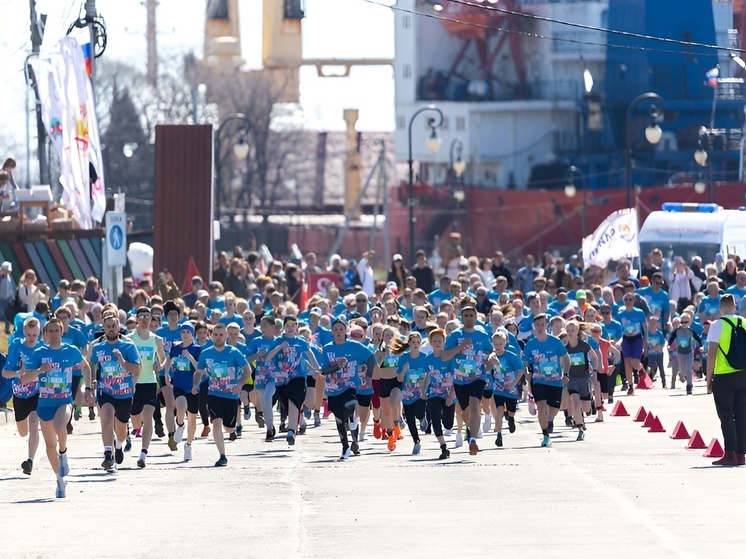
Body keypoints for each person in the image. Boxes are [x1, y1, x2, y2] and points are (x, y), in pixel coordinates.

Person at [20, 318, 92, 498]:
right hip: (44, 404)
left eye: (56, 331)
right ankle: (60, 479)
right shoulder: (39, 353)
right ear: (45, 333)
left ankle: (64, 453)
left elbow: (86, 367)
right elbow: (25, 378)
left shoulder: (71, 351)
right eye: (49, 331)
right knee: (50, 446)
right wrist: (39, 370)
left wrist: (89, 388)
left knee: (60, 427)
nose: (53, 334)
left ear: (61, 332)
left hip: (63, 401)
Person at [192, 323, 251, 466]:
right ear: (211, 336)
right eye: (215, 335)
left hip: (231, 395)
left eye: (221, 335)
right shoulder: (206, 353)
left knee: (228, 427)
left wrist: (239, 384)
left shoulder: (234, 352)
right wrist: (195, 385)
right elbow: (198, 372)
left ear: (226, 335)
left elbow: (247, 370)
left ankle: (232, 430)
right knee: (216, 422)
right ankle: (222, 456)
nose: (218, 338)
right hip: (214, 393)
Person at [318, 317, 375, 460]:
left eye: (341, 329)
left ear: (345, 331)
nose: (338, 332)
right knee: (339, 419)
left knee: (350, 405)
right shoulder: (328, 349)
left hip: (350, 385)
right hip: (333, 388)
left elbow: (371, 357)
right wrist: (337, 365)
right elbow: (324, 370)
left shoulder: (354, 346)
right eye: (335, 329)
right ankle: (345, 447)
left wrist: (368, 376)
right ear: (332, 332)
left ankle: (352, 422)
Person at [90, 312, 142, 472]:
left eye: (114, 326)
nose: (111, 329)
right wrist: (92, 381)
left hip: (124, 393)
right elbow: (91, 364)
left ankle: (118, 445)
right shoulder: (98, 348)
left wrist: (122, 362)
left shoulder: (128, 346)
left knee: (121, 427)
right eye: (108, 326)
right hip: (105, 390)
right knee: (106, 420)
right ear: (104, 328)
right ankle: (108, 455)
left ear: (119, 327)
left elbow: (137, 370)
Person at [443, 306, 493, 456]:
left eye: (471, 315)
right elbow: (445, 356)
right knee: (465, 412)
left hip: (478, 377)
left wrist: (490, 360)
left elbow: (491, 351)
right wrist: (460, 347)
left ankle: (473, 440)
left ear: (476, 317)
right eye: (466, 315)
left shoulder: (482, 335)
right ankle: (470, 428)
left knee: (475, 405)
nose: (469, 318)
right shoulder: (455, 335)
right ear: (461, 317)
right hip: (460, 379)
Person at [264, 316, 320, 446]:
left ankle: (291, 431)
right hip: (281, 379)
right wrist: (279, 347)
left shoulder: (300, 341)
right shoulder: (278, 340)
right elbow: (267, 358)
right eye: (288, 325)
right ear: (284, 327)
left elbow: (310, 355)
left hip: (297, 376)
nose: (290, 328)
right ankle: (293, 427)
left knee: (294, 400)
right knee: (287, 405)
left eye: (293, 325)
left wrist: (317, 369)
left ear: (296, 327)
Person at [705, 294, 746, 466]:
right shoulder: (744, 322)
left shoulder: (717, 325)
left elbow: (712, 355)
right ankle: (741, 455)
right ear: (735, 305)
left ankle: (729, 453)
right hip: (743, 374)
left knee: (727, 415)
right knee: (742, 415)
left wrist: (709, 380)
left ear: (720, 308)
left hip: (724, 375)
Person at [1, 317, 43, 474]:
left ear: (39, 332)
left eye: (35, 334)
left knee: (34, 425)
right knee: (22, 432)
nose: (32, 338)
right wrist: (18, 373)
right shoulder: (16, 347)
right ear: (25, 331)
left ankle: (30, 461)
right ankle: (30, 457)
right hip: (19, 393)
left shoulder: (42, 348)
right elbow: (5, 372)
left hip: (36, 393)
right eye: (29, 334)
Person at [522, 314, 570, 447]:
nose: (540, 327)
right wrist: (526, 372)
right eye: (537, 325)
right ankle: (545, 435)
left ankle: (550, 420)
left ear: (546, 325)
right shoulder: (531, 344)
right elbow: (525, 361)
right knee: (541, 406)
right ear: (534, 326)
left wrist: (566, 373)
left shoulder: (555, 342)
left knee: (554, 410)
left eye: (542, 324)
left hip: (555, 381)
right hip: (539, 381)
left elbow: (566, 358)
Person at [128, 306, 166, 468]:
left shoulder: (156, 340)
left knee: (148, 416)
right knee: (135, 417)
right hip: (134, 383)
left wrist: (160, 366)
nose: (144, 319)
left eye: (147, 316)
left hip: (150, 382)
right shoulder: (129, 339)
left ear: (151, 319)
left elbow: (163, 359)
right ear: (137, 319)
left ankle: (143, 453)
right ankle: (136, 428)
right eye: (141, 316)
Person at [164, 322, 202, 462]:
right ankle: (180, 424)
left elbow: (200, 367)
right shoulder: (175, 348)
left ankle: (189, 445)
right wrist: (167, 373)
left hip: (192, 386)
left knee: (192, 418)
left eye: (188, 332)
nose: (185, 334)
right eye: (183, 332)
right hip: (179, 384)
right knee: (180, 406)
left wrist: (189, 357)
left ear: (192, 334)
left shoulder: (197, 349)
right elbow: (168, 360)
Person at [486, 331, 525, 448]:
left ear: (505, 343)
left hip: (510, 386)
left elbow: (520, 370)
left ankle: (511, 418)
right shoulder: (492, 356)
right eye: (495, 344)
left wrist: (514, 383)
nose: (497, 347)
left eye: (500, 344)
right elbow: (487, 367)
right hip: (498, 386)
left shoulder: (510, 356)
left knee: (511, 410)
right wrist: (491, 362)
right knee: (499, 410)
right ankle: (499, 434)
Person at [396, 331, 430, 455]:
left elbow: (428, 375)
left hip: (420, 392)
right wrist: (404, 370)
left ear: (421, 343)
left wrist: (425, 390)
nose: (415, 344)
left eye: (418, 342)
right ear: (409, 343)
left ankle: (422, 418)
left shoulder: (424, 357)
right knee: (410, 420)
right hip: (407, 394)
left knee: (419, 412)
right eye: (413, 342)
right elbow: (399, 379)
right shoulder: (403, 358)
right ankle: (416, 442)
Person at [423, 328, 454, 459]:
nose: (437, 342)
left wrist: (452, 395)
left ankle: (447, 423)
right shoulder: (428, 358)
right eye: (434, 340)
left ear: (444, 342)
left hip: (448, 393)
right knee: (435, 420)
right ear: (430, 342)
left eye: (439, 340)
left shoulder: (448, 357)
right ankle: (443, 447)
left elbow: (456, 377)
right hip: (434, 393)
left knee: (448, 423)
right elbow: (426, 376)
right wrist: (423, 391)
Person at [617, 293, 648, 394]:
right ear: (623, 301)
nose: (628, 301)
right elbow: (619, 328)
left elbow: (645, 327)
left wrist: (645, 339)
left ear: (634, 300)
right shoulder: (620, 314)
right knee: (627, 362)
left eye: (630, 299)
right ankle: (630, 386)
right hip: (626, 339)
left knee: (634, 362)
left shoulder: (639, 313)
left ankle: (640, 368)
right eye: (626, 299)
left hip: (637, 338)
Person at [668, 313, 702, 394]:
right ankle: (681, 374)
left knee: (689, 369)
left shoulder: (691, 331)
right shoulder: (677, 331)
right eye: (682, 322)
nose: (683, 324)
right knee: (683, 371)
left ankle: (689, 386)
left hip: (689, 352)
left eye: (685, 322)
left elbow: (698, 339)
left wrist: (702, 346)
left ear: (689, 322)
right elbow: (671, 338)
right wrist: (669, 345)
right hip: (680, 353)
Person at [0, 261, 14, 334]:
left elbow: (10, 288)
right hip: (1, 299)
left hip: (7, 298)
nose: (8, 272)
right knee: (2, 314)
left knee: (7, 314)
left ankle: (7, 329)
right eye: (6, 271)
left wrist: (11, 297)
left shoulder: (8, 277)